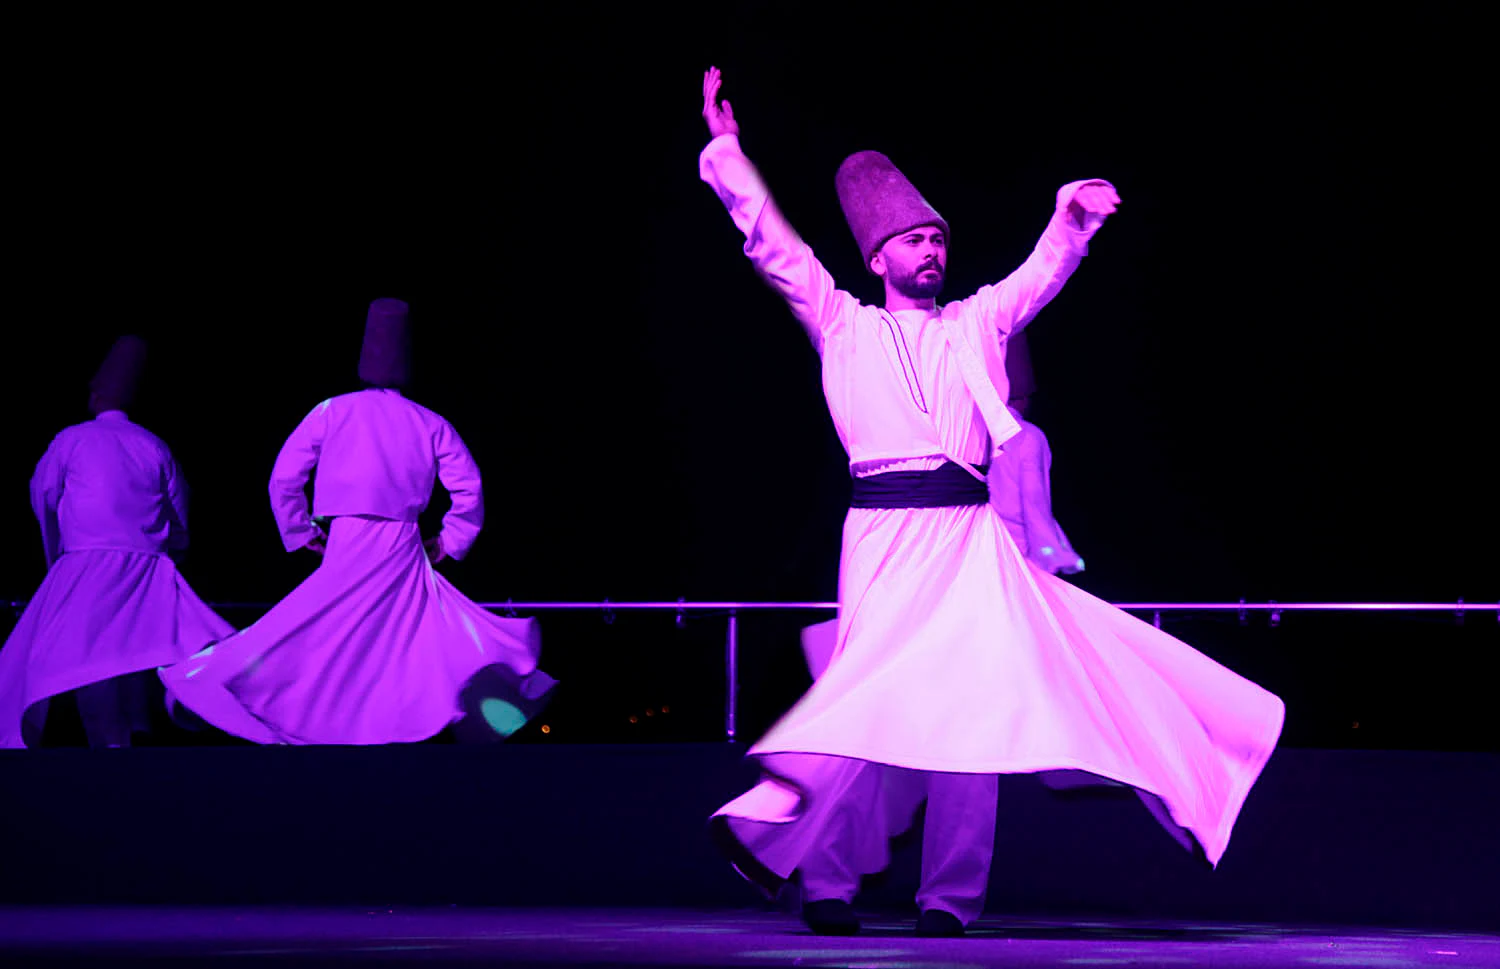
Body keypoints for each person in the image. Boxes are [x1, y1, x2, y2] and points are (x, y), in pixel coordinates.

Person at [698, 67, 1284, 938]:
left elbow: (1036, 276)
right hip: (881, 540)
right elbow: (771, 243)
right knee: (863, 704)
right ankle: (823, 880)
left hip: (968, 540)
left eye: (938, 237)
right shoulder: (844, 324)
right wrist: (727, 152)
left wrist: (1068, 219)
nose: (931, 250)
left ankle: (949, 896)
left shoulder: (974, 323)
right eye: (913, 240)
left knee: (973, 717)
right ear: (878, 258)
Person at [158, 299, 556, 745]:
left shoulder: (333, 410)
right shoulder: (428, 421)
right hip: (401, 544)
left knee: (316, 630)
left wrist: (301, 531)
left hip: (348, 538)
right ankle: (379, 726)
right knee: (404, 637)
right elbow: (470, 487)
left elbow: (284, 478)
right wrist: (449, 540)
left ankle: (251, 696)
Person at [0, 335, 233, 748]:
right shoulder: (153, 443)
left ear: (96, 395)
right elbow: (179, 507)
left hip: (88, 563)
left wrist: (60, 553)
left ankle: (112, 746)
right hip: (145, 566)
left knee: (88, 656)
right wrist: (168, 553)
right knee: (138, 648)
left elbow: (43, 495)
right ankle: (137, 733)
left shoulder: (73, 438)